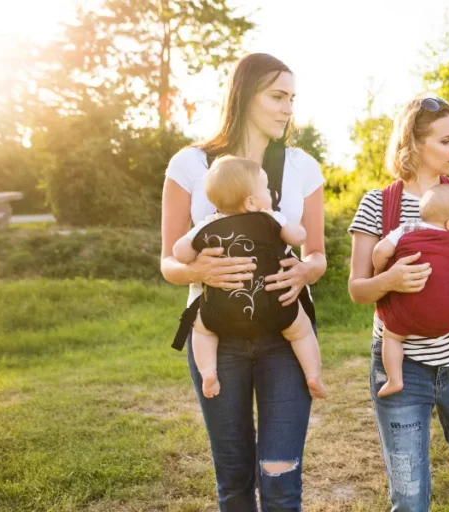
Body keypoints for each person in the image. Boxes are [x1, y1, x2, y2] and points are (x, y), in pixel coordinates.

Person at [160, 53, 326, 511]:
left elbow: (317, 255)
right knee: (234, 480)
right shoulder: (190, 164)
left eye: (292, 98)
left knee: (279, 478)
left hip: (285, 337)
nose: (287, 108)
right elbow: (168, 261)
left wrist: (305, 269)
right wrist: (199, 271)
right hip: (218, 339)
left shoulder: (301, 167)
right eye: (277, 96)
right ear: (243, 94)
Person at [347, 96, 449, 511]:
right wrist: (390, 279)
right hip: (402, 370)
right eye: (446, 140)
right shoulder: (377, 204)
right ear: (415, 143)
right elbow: (358, 289)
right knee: (409, 497)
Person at [172, 155, 325, 400]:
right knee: (301, 331)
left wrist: (196, 259)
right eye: (265, 188)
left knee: (202, 330)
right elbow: (298, 238)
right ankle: (313, 374)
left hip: (222, 309)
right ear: (252, 202)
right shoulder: (270, 218)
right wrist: (284, 221)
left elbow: (180, 252)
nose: (270, 194)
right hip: (275, 303)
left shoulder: (208, 224)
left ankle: (209, 372)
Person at [372, 183, 449, 398]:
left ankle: (394, 379)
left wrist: (381, 270)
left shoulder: (407, 228)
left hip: (407, 313)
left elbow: (381, 251)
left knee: (391, 337)